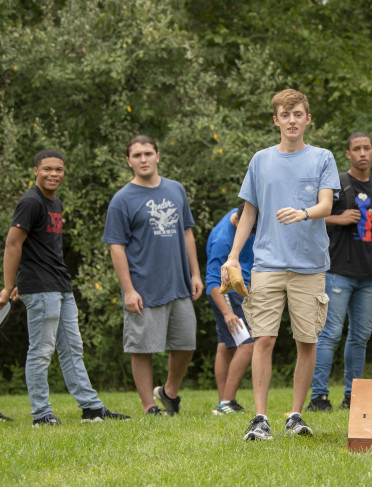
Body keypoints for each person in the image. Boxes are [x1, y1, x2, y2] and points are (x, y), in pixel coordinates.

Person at [221, 89, 339, 440]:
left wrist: (303, 213)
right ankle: (260, 418)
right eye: (285, 115)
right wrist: (232, 255)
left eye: (298, 114)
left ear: (307, 119)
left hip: (310, 265)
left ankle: (295, 416)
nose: (292, 120)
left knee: (307, 341)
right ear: (276, 120)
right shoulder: (261, 160)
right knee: (264, 340)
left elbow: (327, 206)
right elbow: (248, 212)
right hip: (267, 264)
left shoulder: (322, 157)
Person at [0, 149, 129, 425]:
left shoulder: (55, 203)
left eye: (58, 169)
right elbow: (13, 244)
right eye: (47, 169)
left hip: (60, 285)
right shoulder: (31, 203)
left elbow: (40, 247)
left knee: (72, 348)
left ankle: (91, 408)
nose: (53, 174)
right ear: (36, 171)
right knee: (42, 351)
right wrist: (9, 285)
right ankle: (41, 414)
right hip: (40, 287)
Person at [103, 136, 204, 416]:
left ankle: (169, 393)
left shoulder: (176, 189)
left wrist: (195, 274)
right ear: (129, 161)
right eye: (137, 155)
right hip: (144, 287)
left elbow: (186, 232)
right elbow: (116, 246)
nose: (143, 159)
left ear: (158, 156)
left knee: (186, 344)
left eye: (148, 153)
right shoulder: (122, 199)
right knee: (142, 349)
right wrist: (128, 290)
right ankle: (150, 407)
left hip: (179, 285)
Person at [307, 132, 372, 412]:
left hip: (369, 274)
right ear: (348, 154)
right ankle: (319, 396)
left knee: (360, 336)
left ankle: (353, 395)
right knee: (330, 334)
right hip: (339, 270)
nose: (362, 153)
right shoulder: (338, 183)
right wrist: (338, 218)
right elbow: (314, 214)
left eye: (367, 148)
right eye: (357, 149)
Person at [205, 203, 256, 415]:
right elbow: (212, 281)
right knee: (248, 344)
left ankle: (225, 402)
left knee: (226, 345)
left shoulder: (245, 214)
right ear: (239, 220)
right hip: (227, 294)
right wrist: (227, 313)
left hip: (241, 289)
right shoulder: (222, 240)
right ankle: (225, 402)